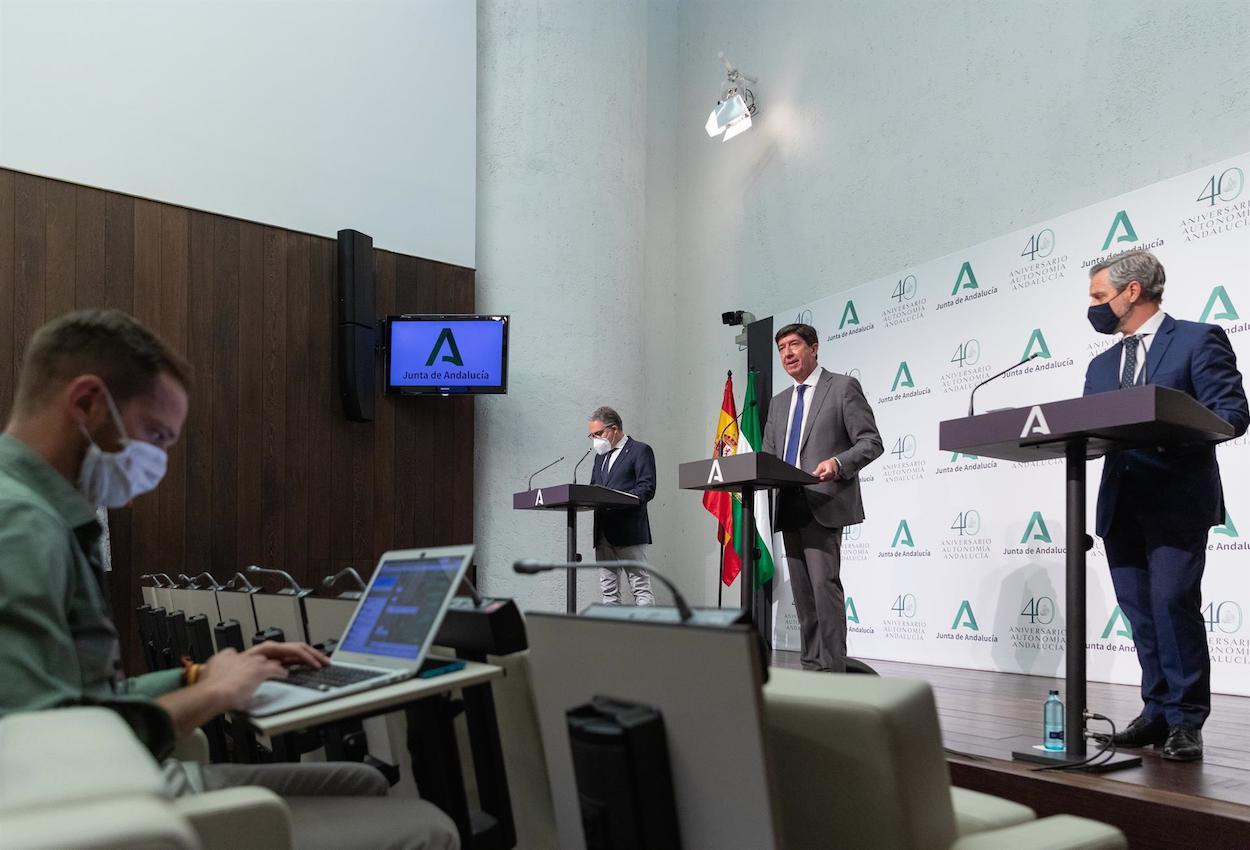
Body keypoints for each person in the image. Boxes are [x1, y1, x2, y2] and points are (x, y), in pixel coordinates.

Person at [0, 309, 458, 849]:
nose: (157, 461)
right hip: (112, 808)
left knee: (364, 780)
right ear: (85, 403)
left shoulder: (44, 516)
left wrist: (197, 679)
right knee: (432, 828)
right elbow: (40, 747)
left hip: (125, 782)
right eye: (155, 435)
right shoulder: (22, 526)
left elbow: (85, 701)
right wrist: (215, 694)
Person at [1083, 249, 1248, 762]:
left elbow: (1232, 414)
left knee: (1173, 605)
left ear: (1132, 292)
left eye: (1098, 296)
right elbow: (1092, 429)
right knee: (1140, 614)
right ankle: (1155, 711)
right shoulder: (1101, 363)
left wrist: (1164, 429)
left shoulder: (1199, 339)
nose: (1092, 307)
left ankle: (1185, 720)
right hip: (1121, 503)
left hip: (1176, 500)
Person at [762, 323, 883, 672]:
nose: (787, 353)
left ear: (814, 348)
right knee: (802, 596)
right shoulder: (779, 402)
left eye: (795, 344)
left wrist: (838, 462)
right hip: (789, 505)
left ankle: (832, 670)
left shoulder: (842, 388)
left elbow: (870, 442)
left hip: (824, 502)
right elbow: (771, 454)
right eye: (782, 347)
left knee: (822, 588)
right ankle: (811, 667)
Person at [587, 406, 657, 605]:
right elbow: (594, 488)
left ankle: (645, 636)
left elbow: (647, 489)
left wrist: (615, 499)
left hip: (629, 530)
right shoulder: (600, 457)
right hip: (603, 533)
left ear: (614, 428)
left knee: (640, 587)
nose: (595, 440)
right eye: (591, 435)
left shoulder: (640, 450)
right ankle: (613, 635)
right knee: (608, 592)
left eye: (598, 434)